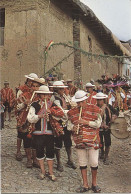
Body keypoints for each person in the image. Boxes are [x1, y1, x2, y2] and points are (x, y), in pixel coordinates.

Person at [68, 90, 102, 193]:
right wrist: (73, 127)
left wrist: (86, 122)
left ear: (86, 100)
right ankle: (85, 184)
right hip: (79, 140)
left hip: (92, 139)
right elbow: (68, 125)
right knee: (82, 162)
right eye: (78, 102)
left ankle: (94, 184)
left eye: (81, 102)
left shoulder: (95, 109)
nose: (79, 104)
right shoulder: (72, 112)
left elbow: (98, 124)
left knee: (94, 162)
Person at [27, 85, 56, 181]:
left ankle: (50, 172)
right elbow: (30, 118)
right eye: (43, 94)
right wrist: (40, 116)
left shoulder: (52, 104)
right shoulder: (34, 105)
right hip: (38, 132)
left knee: (50, 151)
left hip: (49, 132)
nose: (45, 96)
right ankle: (42, 171)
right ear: (39, 95)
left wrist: (52, 113)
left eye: (46, 94)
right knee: (39, 151)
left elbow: (61, 116)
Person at [50, 81, 76, 172]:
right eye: (61, 89)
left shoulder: (64, 97)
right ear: (57, 89)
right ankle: (59, 162)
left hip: (65, 122)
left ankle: (70, 160)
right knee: (58, 142)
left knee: (68, 141)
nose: (63, 90)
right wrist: (70, 112)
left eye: (63, 89)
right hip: (58, 122)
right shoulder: (54, 98)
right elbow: (60, 111)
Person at [15, 73, 39, 162]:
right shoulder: (22, 91)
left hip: (35, 118)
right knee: (22, 134)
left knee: (34, 137)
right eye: (31, 81)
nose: (31, 83)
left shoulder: (38, 95)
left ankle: (34, 157)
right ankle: (19, 152)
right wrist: (24, 104)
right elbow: (17, 105)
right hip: (23, 117)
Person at [93, 92, 118, 165]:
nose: (99, 101)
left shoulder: (108, 107)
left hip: (107, 128)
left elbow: (116, 112)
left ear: (103, 100)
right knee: (100, 141)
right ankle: (102, 152)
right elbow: (93, 117)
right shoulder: (94, 107)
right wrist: (100, 124)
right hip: (98, 128)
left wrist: (114, 117)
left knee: (108, 142)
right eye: (98, 100)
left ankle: (106, 156)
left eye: (100, 100)